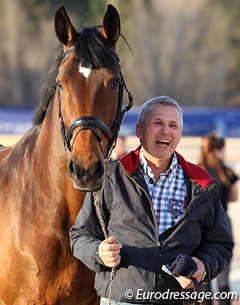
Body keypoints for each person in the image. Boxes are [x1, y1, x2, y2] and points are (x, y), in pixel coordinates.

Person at [69, 96, 233, 305]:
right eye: (157, 123)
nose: (166, 131)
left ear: (180, 135)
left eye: (173, 125)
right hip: (122, 300)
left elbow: (221, 243)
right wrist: (98, 252)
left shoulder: (201, 184)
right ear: (139, 131)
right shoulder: (111, 177)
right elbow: (80, 235)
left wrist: (202, 266)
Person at [198, 132, 238, 305]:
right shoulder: (225, 170)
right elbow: (234, 197)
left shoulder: (197, 169)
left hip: (201, 224)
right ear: (216, 151)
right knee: (223, 276)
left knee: (203, 275)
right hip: (222, 223)